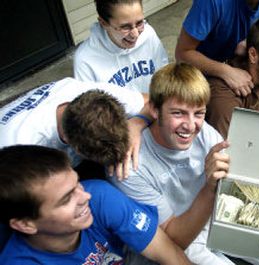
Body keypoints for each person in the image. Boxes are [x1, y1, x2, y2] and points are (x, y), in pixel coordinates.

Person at [110, 62, 259, 264]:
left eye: (199, 113)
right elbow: (174, 240)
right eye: (178, 113)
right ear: (154, 110)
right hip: (181, 239)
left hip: (221, 217)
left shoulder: (205, 133)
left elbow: (249, 182)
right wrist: (210, 187)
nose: (190, 126)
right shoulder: (130, 165)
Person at [0, 145, 191, 265]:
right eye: (66, 199)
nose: (85, 196)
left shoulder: (99, 196)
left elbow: (169, 254)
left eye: (77, 184)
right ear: (25, 224)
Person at [0, 77, 148, 178]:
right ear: (70, 144)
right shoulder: (21, 148)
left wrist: (136, 124)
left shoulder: (83, 91)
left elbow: (154, 101)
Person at [175, 0, 259, 96]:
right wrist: (225, 71)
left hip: (243, 65)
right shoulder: (211, 3)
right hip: (201, 76)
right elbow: (182, 53)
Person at [74, 0, 168, 93]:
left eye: (139, 23)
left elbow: (164, 76)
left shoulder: (148, 34)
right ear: (104, 23)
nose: (135, 34)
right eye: (125, 27)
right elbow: (88, 105)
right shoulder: (85, 60)